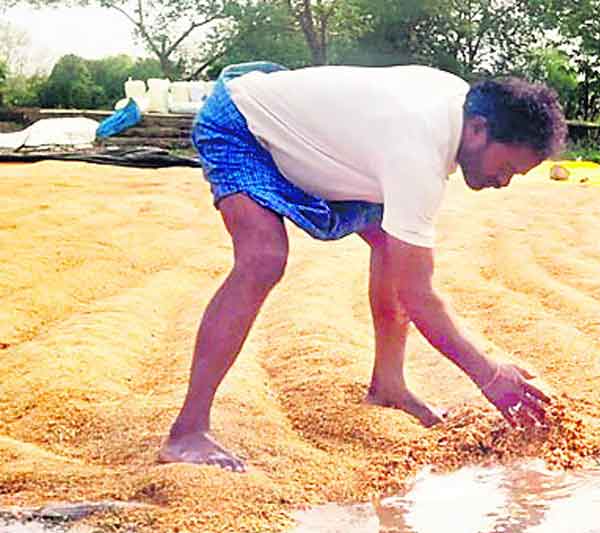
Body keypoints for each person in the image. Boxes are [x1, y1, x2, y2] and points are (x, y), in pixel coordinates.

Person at [160, 62, 566, 472]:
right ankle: (187, 432)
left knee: (393, 244)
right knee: (263, 258)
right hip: (244, 125)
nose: (504, 182)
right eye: (508, 167)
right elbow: (418, 296)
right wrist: (491, 376)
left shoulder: (459, 107)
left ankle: (389, 385)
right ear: (478, 130)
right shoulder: (419, 149)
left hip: (325, 149)